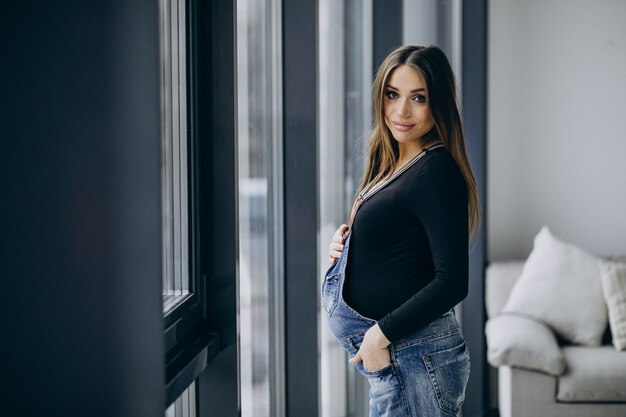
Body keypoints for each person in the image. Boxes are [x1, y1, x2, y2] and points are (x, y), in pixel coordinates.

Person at [321, 45, 480, 417]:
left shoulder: (435, 172)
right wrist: (346, 249)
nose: (401, 111)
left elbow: (452, 282)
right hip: (404, 357)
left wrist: (379, 335)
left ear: (438, 104)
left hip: (411, 354)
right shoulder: (396, 160)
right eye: (393, 94)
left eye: (418, 98)